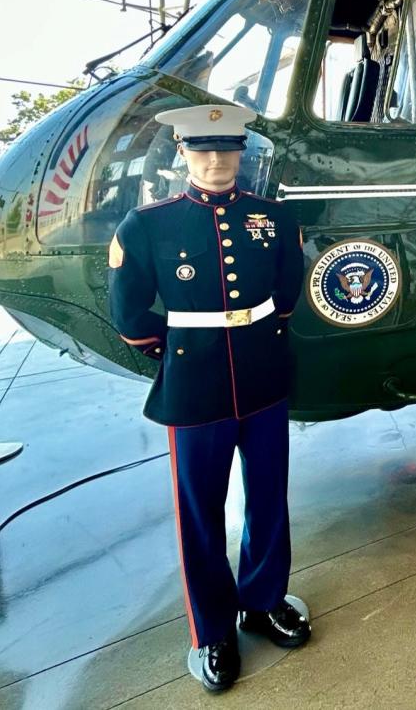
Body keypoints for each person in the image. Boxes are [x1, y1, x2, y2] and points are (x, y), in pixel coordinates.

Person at [107, 103, 309, 692]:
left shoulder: (271, 217)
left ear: (241, 153)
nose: (217, 160)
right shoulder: (147, 225)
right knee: (201, 513)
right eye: (203, 150)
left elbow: (288, 292)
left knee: (269, 496)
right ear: (183, 155)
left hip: (264, 375)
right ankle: (212, 630)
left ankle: (265, 600)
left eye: (227, 149)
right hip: (194, 385)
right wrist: (170, 348)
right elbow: (130, 312)